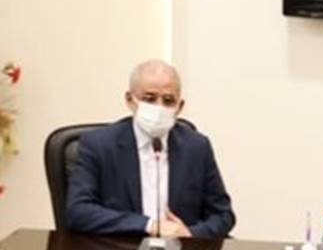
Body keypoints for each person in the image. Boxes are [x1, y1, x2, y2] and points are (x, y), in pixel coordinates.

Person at [65, 59, 236, 238]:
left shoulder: (197, 148)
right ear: (130, 100)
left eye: (168, 101)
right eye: (149, 99)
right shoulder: (99, 145)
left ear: (180, 106)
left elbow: (223, 215)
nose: (159, 107)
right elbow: (78, 211)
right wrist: (148, 225)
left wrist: (190, 234)